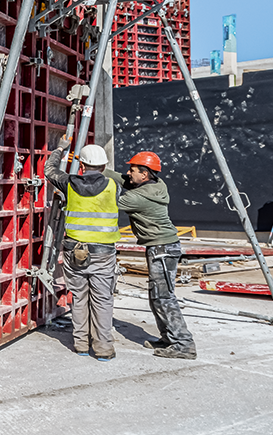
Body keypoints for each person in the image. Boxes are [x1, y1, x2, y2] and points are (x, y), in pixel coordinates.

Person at [44, 141, 120, 360]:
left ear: (82, 166)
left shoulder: (69, 183)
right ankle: (104, 350)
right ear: (104, 167)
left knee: (79, 297)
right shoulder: (113, 186)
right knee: (103, 300)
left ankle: (80, 345)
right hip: (104, 253)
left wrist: (59, 149)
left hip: (74, 251)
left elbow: (49, 171)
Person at [119, 150, 197, 359]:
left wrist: (94, 178)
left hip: (162, 249)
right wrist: (100, 170)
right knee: (157, 297)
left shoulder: (138, 197)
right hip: (163, 247)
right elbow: (123, 179)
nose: (128, 173)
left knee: (164, 297)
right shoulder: (157, 184)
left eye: (132, 170)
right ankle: (168, 338)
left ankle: (183, 344)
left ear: (144, 175)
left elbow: (110, 201)